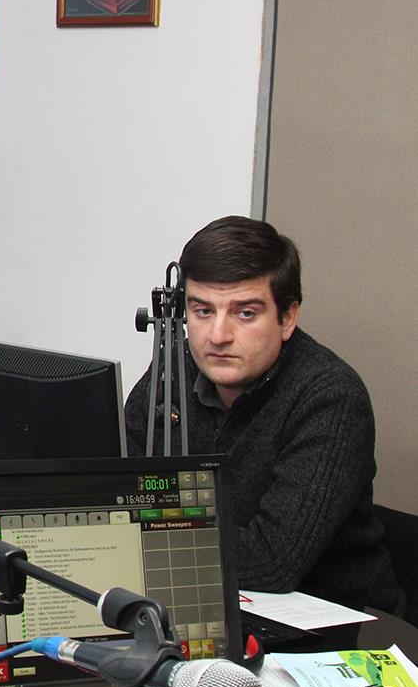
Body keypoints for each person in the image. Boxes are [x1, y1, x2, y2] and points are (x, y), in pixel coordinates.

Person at [125, 216, 401, 614]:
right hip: (210, 602)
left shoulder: (330, 397)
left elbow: (272, 561)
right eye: (202, 311)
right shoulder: (173, 370)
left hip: (336, 625)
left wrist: (142, 533)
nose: (218, 336)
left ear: (287, 318)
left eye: (245, 314)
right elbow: (114, 498)